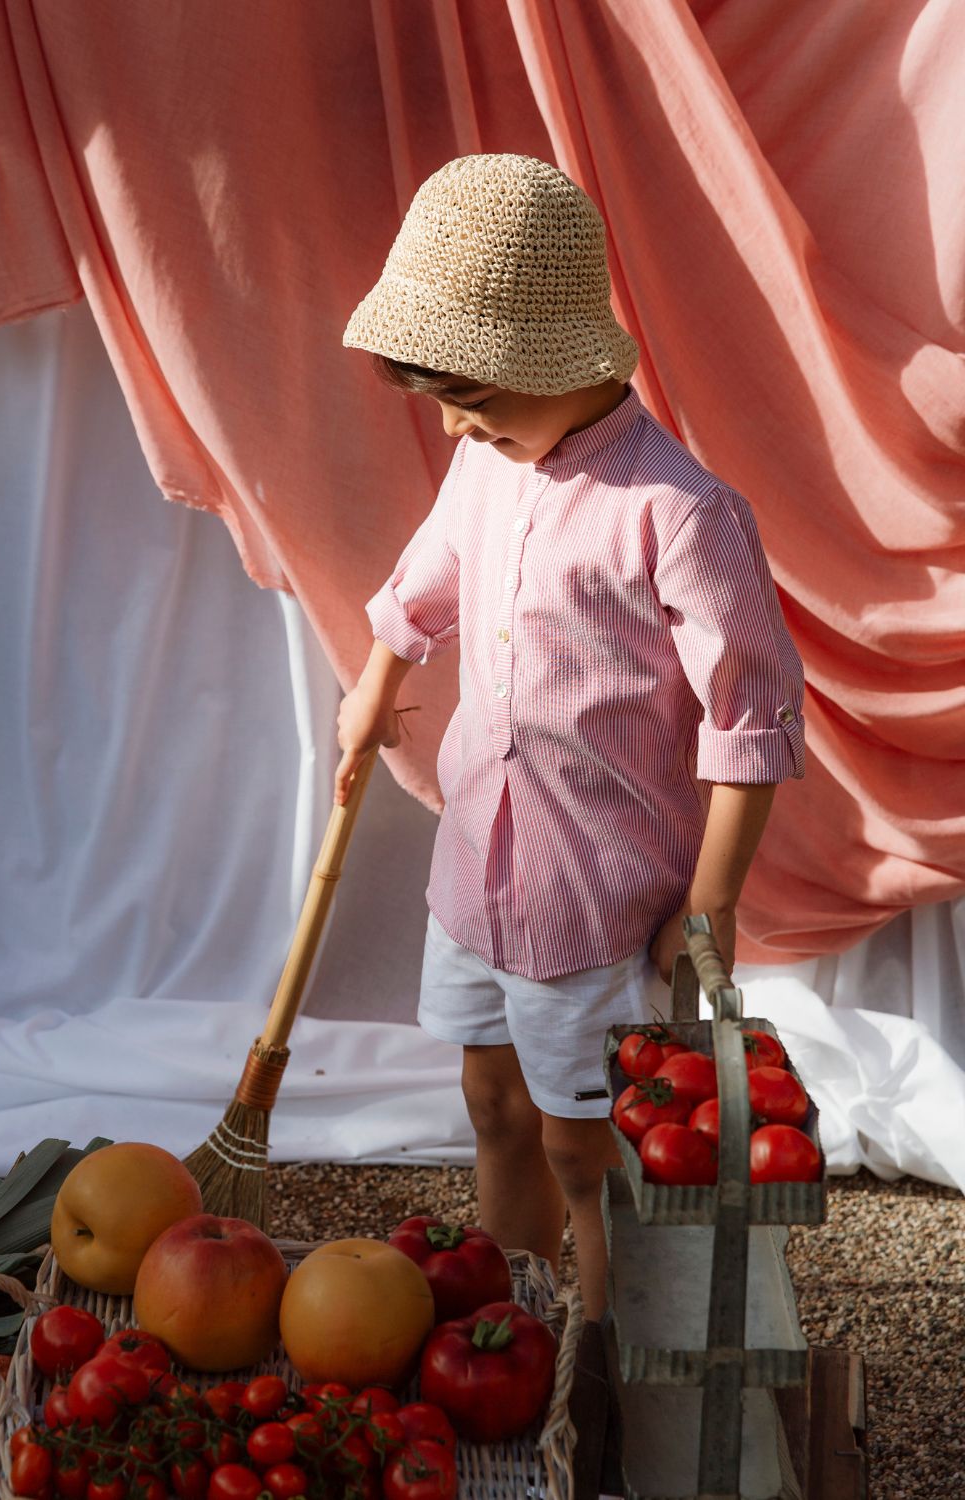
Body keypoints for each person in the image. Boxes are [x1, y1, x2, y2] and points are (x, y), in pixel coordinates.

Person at [333, 154, 805, 1318]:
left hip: (594, 901)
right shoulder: (484, 464)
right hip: (475, 879)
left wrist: (713, 902)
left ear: (557, 365)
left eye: (475, 398)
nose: (453, 422)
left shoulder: (680, 514)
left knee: (585, 1146)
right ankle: (510, 1312)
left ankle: (591, 1352)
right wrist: (374, 678)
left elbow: (751, 715)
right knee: (490, 1097)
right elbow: (428, 576)